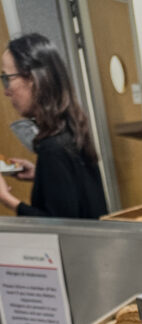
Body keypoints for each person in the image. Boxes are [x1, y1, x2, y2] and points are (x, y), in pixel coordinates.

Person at [0, 33, 106, 218]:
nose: (6, 91)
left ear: (33, 79)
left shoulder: (53, 147)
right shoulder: (70, 128)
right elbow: (76, 193)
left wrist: (7, 198)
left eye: (7, 78)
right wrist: (41, 175)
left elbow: (59, 225)